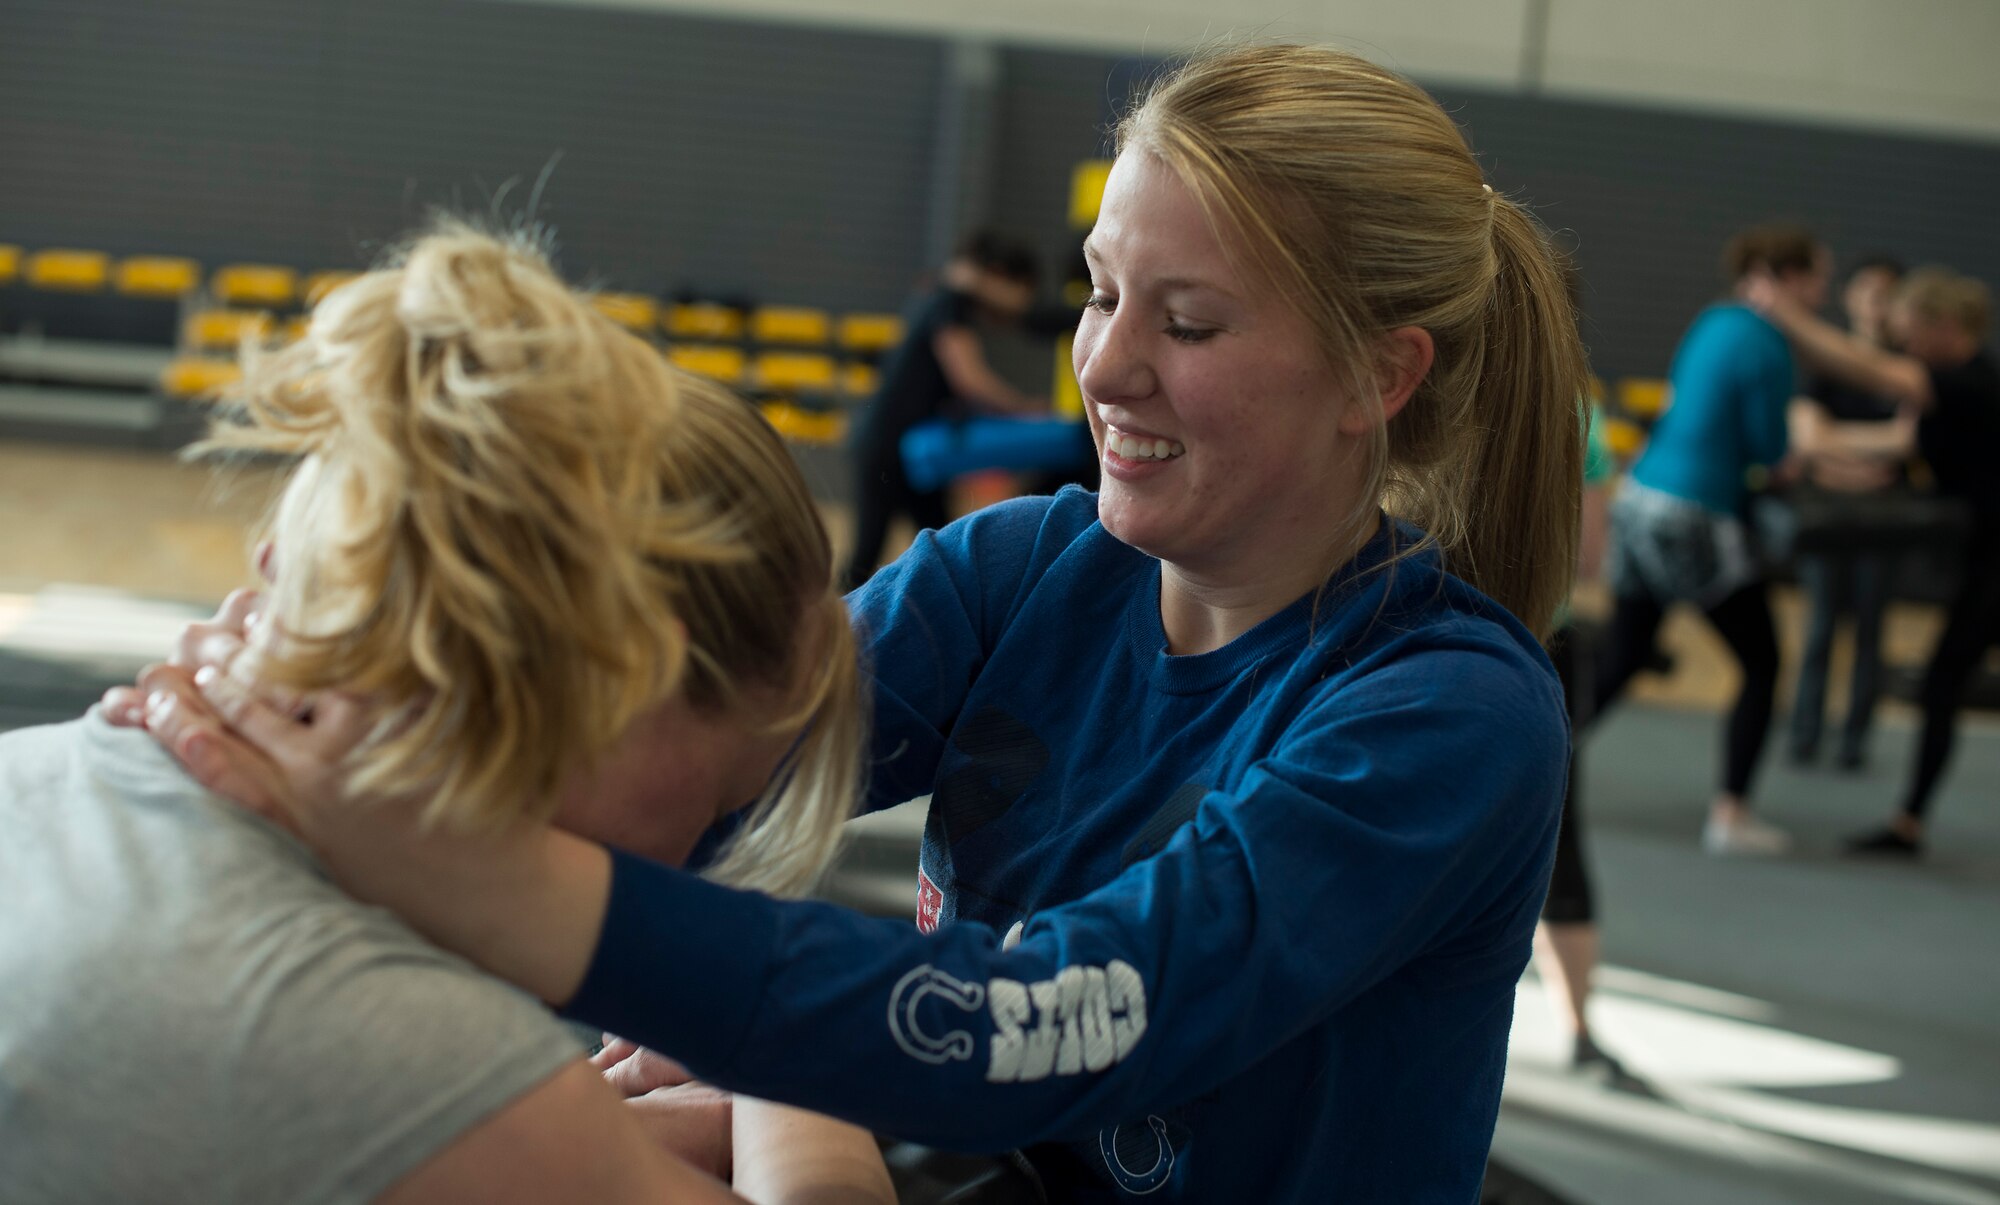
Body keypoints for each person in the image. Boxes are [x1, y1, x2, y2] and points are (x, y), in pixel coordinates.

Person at [126, 45, 1587, 1202]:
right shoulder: (1022, 569)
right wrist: (334, 704)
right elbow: (683, 763)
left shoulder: (1446, 716)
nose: (1106, 366)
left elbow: (1049, 1021)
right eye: (1097, 293)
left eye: (1188, 324)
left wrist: (488, 879)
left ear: (1376, 378)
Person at [12, 223, 892, 1204]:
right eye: (723, 795)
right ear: (624, 683)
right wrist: (795, 1064)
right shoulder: (389, 1035)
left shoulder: (37, 775)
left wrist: (581, 1133)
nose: (695, 860)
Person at [1589, 225, 1830, 856]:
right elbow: (1768, 449)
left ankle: (1521, 766)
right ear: (1790, 277)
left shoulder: (1715, 319)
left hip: (1640, 497)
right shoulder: (1770, 345)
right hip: (1689, 513)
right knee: (1763, 660)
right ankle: (1732, 814)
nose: (1821, 293)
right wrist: (1800, 457)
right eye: (1817, 279)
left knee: (1627, 651)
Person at [1746, 266, 1999, 856]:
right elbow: (1898, 443)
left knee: (1942, 683)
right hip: (1982, 562)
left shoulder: (1971, 381)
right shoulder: (1949, 385)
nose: (1905, 343)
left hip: (1994, 567)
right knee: (1942, 685)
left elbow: (1866, 369)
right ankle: (1908, 824)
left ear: (1946, 326)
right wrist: (1817, 443)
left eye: (1911, 331)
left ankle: (1908, 823)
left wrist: (1785, 315)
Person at [844, 231, 1048, 588]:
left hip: (909, 448)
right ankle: (829, 631)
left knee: (939, 547)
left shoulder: (940, 295)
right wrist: (1025, 408)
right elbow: (969, 379)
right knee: (869, 553)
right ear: (1001, 277)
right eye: (1023, 290)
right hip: (888, 447)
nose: (1021, 305)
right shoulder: (950, 301)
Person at [1786, 255, 1907, 770]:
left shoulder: (1905, 371)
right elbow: (1809, 439)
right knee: (1819, 628)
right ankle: (1805, 733)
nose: (1876, 305)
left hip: (1883, 522)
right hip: (1828, 516)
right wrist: (1859, 463)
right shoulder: (1826, 364)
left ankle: (1854, 739)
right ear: (1850, 298)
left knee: (1871, 631)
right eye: (1867, 292)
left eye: (1887, 295)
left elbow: (1906, 440)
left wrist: (1838, 444)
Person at [1534, 401, 1623, 1075]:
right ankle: (1578, 1026)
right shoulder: (1579, 414)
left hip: (1398, 620)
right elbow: (1588, 559)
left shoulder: (1401, 379)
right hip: (1536, 639)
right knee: (1556, 831)